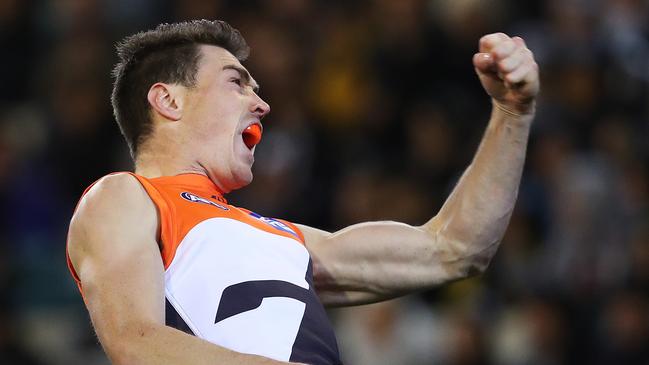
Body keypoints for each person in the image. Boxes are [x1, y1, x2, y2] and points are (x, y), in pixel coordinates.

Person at [66, 19, 539, 365]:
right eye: (236, 82)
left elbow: (454, 250)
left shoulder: (279, 237)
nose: (262, 102)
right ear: (168, 99)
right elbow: (135, 342)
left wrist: (512, 113)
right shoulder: (124, 196)